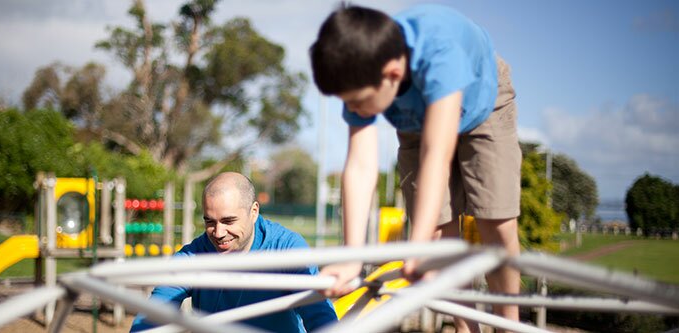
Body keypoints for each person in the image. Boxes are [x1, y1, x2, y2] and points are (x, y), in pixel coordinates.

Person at [309, 4, 521, 332]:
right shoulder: (364, 70)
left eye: (358, 102)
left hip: (483, 104)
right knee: (437, 235)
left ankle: (509, 326)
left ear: (392, 75)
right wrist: (352, 257)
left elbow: (437, 154)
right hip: (415, 120)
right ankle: (465, 327)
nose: (352, 111)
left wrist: (418, 247)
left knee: (496, 221)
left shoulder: (439, 53)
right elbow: (362, 165)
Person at [130, 172, 338, 332]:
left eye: (228, 221)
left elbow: (320, 317)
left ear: (254, 211)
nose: (218, 233)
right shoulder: (194, 256)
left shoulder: (286, 248)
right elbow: (154, 314)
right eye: (209, 222)